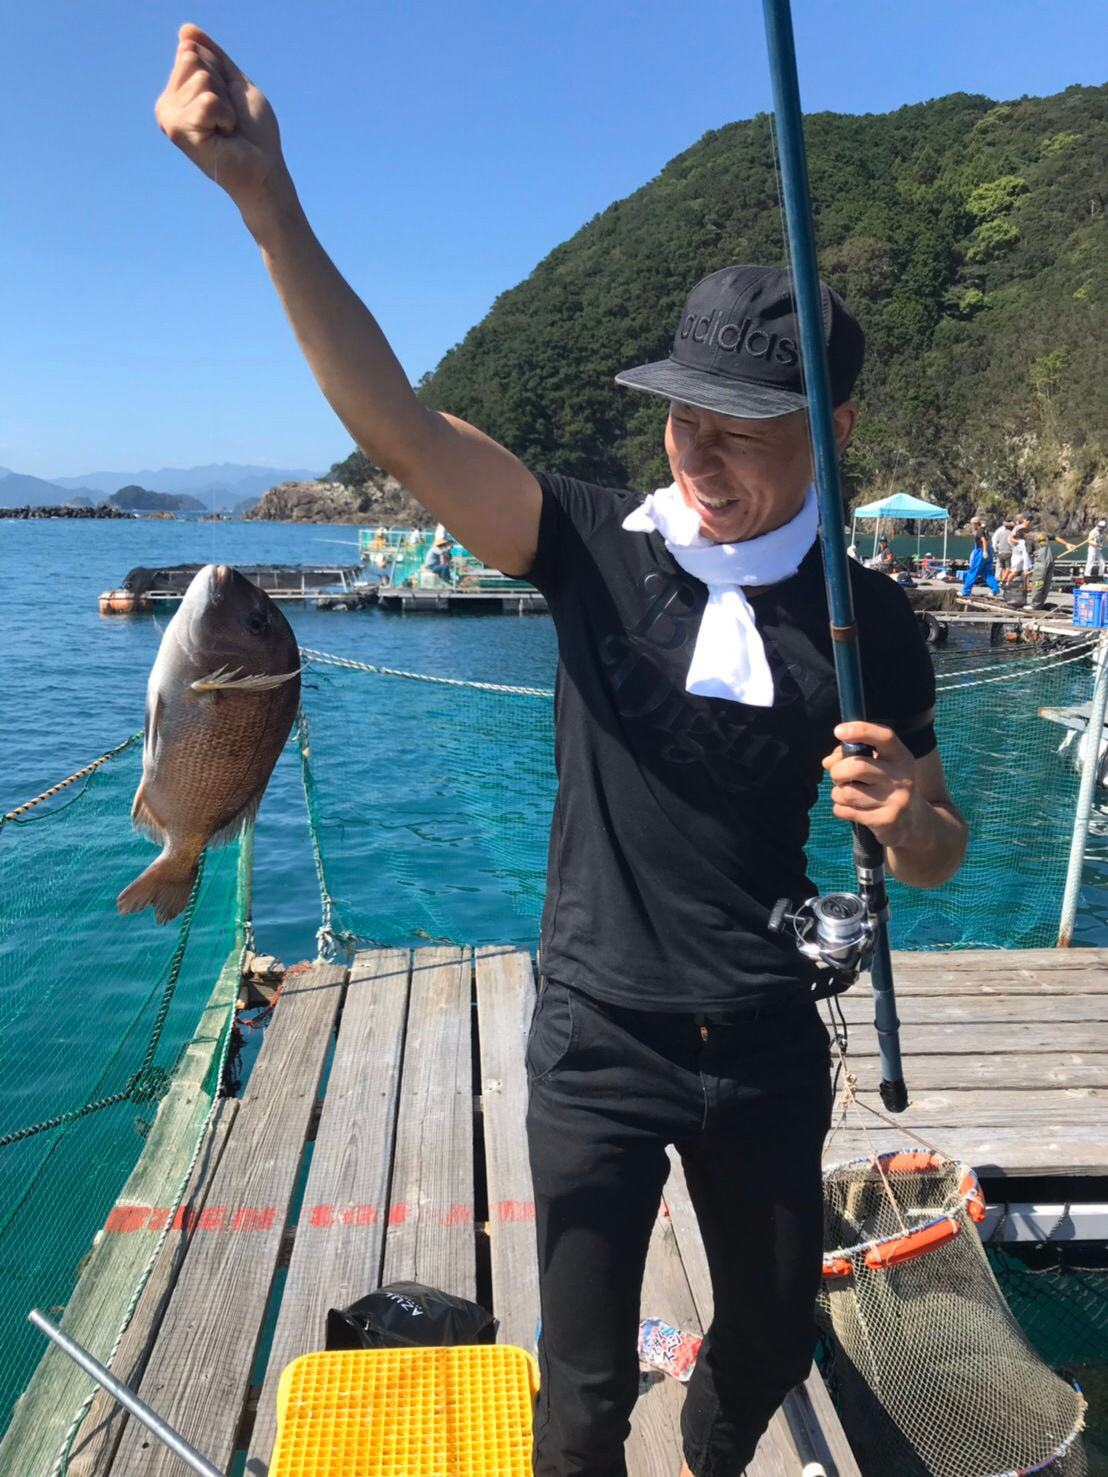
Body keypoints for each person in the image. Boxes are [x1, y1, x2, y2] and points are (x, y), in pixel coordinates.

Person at [153, 31, 968, 1476]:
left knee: (771, 1342)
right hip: (598, 1036)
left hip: (768, 1038)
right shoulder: (591, 546)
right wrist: (268, 204)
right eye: (682, 417)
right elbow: (402, 427)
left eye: (744, 429)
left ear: (835, 430)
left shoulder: (872, 619)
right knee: (581, 1394)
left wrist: (907, 817)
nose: (696, 455)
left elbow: (938, 847)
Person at [961, 517, 1000, 597]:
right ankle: (995, 589)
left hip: (981, 552)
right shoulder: (985, 530)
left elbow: (984, 541)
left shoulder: (979, 531)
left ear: (975, 524)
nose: (972, 526)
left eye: (972, 524)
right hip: (989, 552)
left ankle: (966, 591)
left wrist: (984, 551)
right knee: (987, 572)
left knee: (973, 572)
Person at [1029, 532, 1056, 610]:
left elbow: (1029, 555)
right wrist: (1067, 544)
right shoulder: (1044, 535)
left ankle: (1035, 604)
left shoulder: (1029, 539)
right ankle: (1039, 604)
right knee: (1044, 585)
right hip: (1048, 563)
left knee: (1039, 584)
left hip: (1040, 566)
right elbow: (1055, 537)